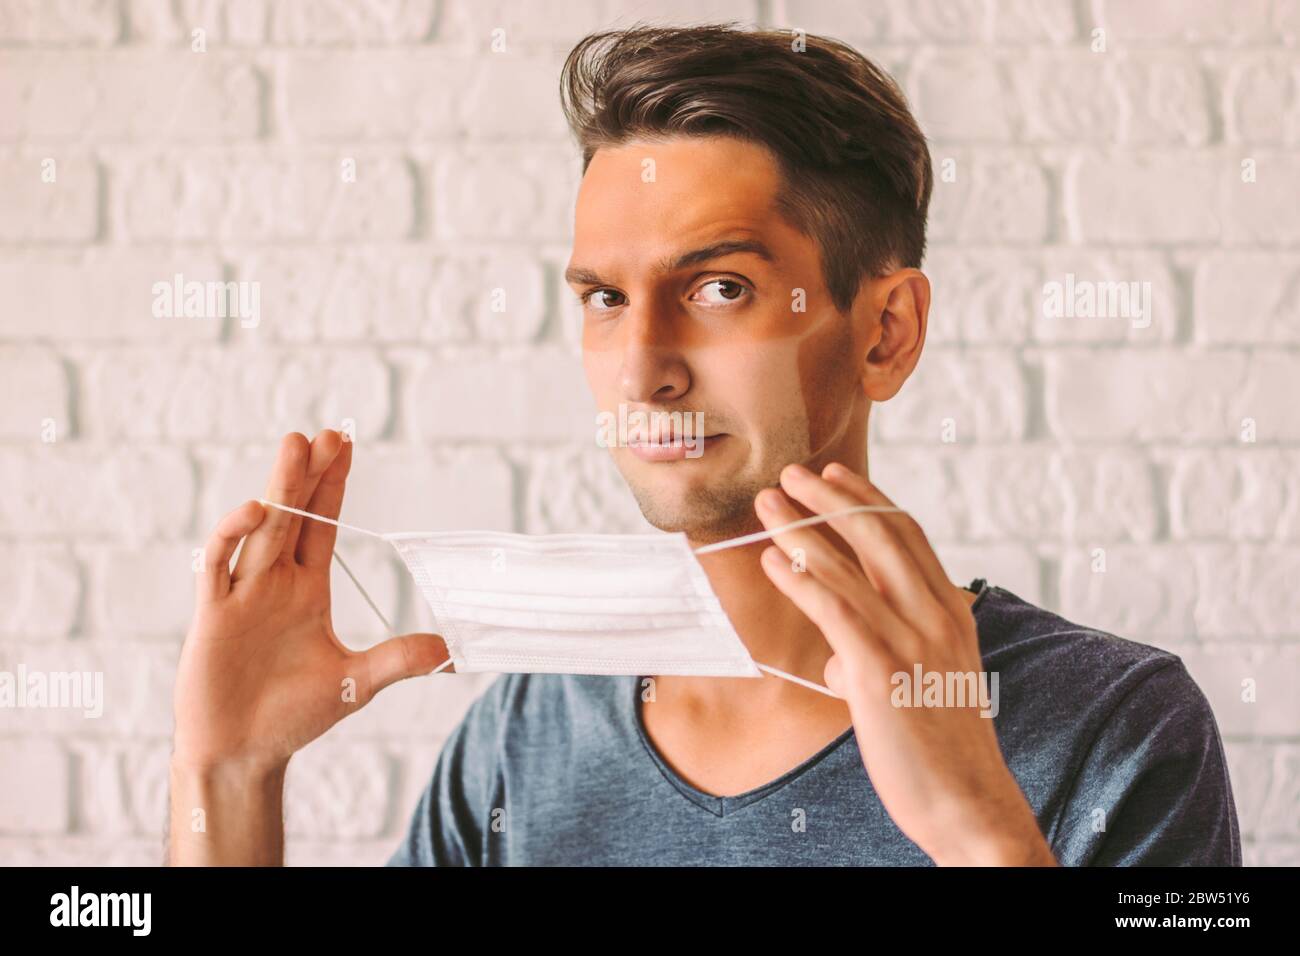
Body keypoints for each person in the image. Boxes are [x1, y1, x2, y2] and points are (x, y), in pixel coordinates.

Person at [168, 24, 1241, 866]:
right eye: (602, 297)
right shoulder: (527, 731)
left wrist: (977, 834)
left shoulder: (1114, 727)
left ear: (885, 332)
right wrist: (225, 775)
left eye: (719, 288)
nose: (641, 370)